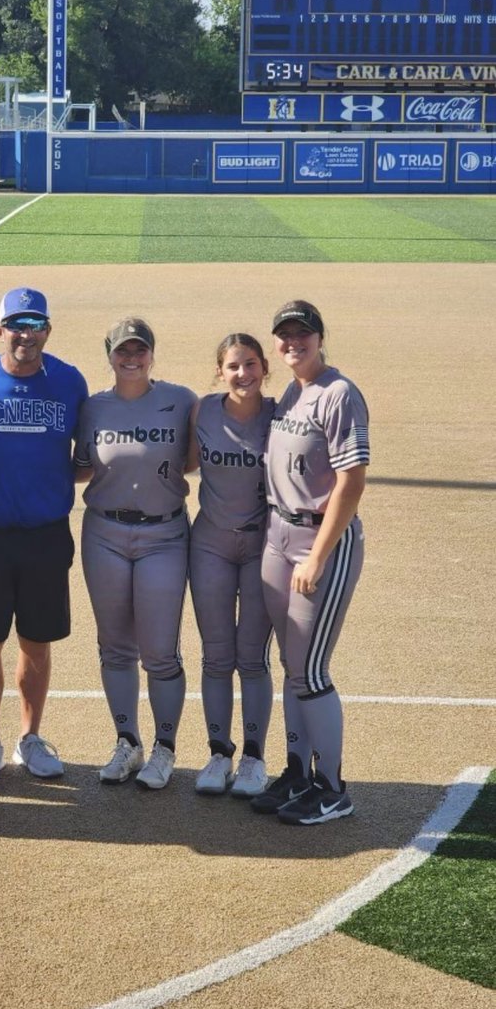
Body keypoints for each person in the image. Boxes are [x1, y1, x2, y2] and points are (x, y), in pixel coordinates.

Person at [0, 286, 88, 783]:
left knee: (37, 642)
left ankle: (30, 737)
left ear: (47, 330)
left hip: (46, 533)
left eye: (35, 325)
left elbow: (86, 448)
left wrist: (51, 480)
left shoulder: (70, 382)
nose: (25, 335)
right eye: (16, 325)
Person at [254, 299, 369, 824]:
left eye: (303, 334)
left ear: (321, 337)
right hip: (279, 537)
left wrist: (318, 556)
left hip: (318, 541)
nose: (292, 342)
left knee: (312, 669)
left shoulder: (339, 394)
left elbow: (351, 481)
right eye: (284, 335)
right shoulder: (291, 393)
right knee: (292, 666)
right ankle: (298, 772)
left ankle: (333, 787)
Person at [74, 318, 195, 790]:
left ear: (151, 354)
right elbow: (81, 468)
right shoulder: (92, 408)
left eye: (139, 349)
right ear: (109, 355)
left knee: (160, 650)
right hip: (104, 531)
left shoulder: (182, 401)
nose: (131, 358)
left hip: (164, 535)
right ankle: (127, 741)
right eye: (122, 350)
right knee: (114, 646)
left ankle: (165, 748)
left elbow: (195, 459)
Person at [189, 334, 276, 799]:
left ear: (264, 366)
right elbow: (175, 461)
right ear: (219, 372)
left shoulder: (280, 415)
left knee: (252, 658)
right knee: (216, 655)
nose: (242, 374)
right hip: (210, 546)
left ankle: (254, 758)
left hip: (263, 548)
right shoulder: (201, 411)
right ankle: (219, 752)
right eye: (232, 367)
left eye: (250, 364)